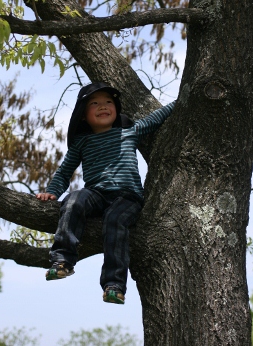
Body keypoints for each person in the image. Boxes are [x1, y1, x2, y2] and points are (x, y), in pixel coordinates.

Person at [36, 81, 175, 304]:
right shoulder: (82, 142)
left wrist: (183, 101)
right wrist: (52, 192)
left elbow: (157, 117)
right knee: (72, 200)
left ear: (116, 109)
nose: (103, 106)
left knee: (114, 221)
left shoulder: (130, 131)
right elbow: (64, 173)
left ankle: (114, 284)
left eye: (108, 102)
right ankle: (62, 260)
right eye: (95, 103)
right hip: (96, 194)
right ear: (83, 115)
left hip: (127, 196)